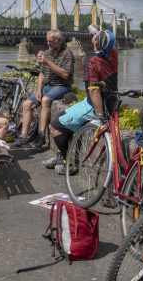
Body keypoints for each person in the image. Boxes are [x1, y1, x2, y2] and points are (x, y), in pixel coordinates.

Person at [44, 27, 119, 176]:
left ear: (96, 42)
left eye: (97, 36)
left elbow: (93, 90)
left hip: (95, 106)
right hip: (111, 102)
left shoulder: (90, 60)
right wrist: (99, 35)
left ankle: (69, 163)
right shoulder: (114, 53)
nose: (95, 35)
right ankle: (62, 155)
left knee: (55, 126)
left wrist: (100, 117)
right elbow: (108, 42)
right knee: (64, 115)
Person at [12, 29, 75, 149]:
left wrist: (48, 62)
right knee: (26, 104)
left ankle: (41, 136)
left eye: (51, 41)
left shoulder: (68, 54)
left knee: (46, 100)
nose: (48, 43)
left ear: (58, 40)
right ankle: (23, 137)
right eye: (47, 41)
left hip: (62, 86)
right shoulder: (47, 52)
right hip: (47, 86)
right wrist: (39, 89)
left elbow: (65, 74)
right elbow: (42, 73)